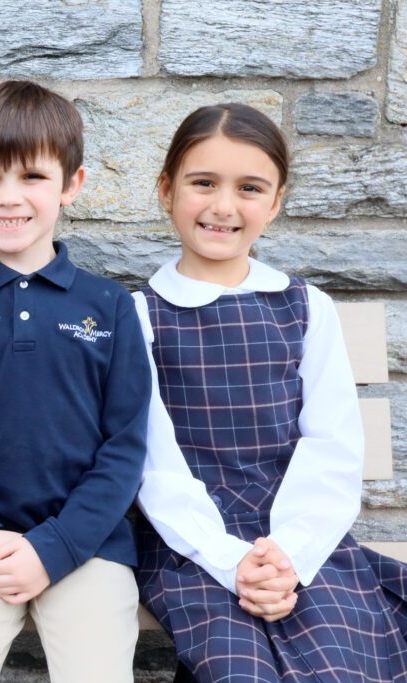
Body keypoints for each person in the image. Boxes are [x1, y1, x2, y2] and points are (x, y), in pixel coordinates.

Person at [135, 102, 407, 682]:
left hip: (304, 540)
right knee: (241, 671)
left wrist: (288, 555)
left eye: (250, 188)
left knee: (342, 664)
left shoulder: (305, 308)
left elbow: (332, 446)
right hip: (191, 545)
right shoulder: (140, 316)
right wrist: (233, 562)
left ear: (277, 202)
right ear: (166, 190)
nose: (223, 206)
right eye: (203, 183)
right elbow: (154, 465)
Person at [0, 80, 151, 683]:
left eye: (32, 178)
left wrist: (57, 547)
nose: (8, 197)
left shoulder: (111, 306)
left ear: (72, 185)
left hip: (86, 545)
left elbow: (124, 446)